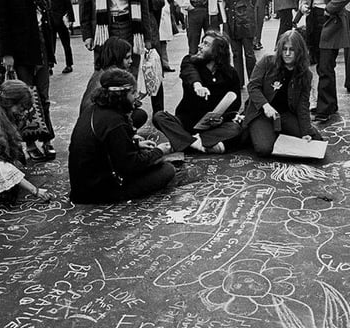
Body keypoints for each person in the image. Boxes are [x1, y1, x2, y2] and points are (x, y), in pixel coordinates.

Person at [69, 69, 176, 203]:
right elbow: (130, 165)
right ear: (120, 95)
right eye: (132, 93)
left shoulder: (95, 108)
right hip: (95, 191)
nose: (137, 96)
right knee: (167, 170)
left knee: (153, 160)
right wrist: (159, 151)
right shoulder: (115, 122)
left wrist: (135, 144)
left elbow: (108, 146)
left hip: (83, 185)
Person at [153, 31, 242, 153]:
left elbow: (235, 104)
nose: (200, 46)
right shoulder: (190, 61)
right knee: (159, 117)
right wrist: (197, 85)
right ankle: (198, 144)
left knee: (236, 128)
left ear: (217, 51)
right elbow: (189, 72)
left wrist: (222, 118)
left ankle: (184, 142)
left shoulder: (230, 73)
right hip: (186, 122)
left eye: (206, 44)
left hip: (213, 127)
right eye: (201, 42)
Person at [0, 0, 57, 162]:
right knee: (24, 99)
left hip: (41, 45)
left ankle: (46, 138)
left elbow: (45, 17)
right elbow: (1, 22)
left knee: (43, 98)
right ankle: (29, 143)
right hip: (20, 50)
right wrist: (6, 54)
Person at [242, 30, 323, 156]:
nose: (287, 53)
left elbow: (303, 104)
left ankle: (277, 131)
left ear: (299, 51)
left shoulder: (305, 74)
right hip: (261, 113)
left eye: (292, 50)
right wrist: (265, 105)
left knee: (315, 139)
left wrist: (306, 131)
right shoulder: (267, 62)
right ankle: (255, 131)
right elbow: (253, 86)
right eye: (284, 49)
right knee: (264, 148)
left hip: (284, 113)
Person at [79, 37, 149, 128]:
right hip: (97, 123)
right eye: (127, 58)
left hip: (90, 120)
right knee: (139, 115)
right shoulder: (112, 77)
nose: (131, 61)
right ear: (117, 58)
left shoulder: (100, 72)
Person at [306, 0, 350, 123]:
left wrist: (330, 8)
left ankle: (324, 108)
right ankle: (329, 104)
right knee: (321, 66)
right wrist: (303, 5)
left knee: (326, 65)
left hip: (330, 18)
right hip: (314, 17)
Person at [79, 0, 154, 75]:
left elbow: (144, 8)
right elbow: (85, 4)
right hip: (103, 29)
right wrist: (87, 34)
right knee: (104, 69)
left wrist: (147, 38)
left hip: (130, 26)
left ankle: (130, 85)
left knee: (131, 68)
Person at [223, 0, 257, 86]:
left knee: (248, 54)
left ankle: (253, 80)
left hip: (244, 19)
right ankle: (240, 80)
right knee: (237, 54)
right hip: (233, 19)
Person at [50, 0, 74, 74]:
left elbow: (69, 5)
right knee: (50, 45)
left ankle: (69, 64)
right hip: (51, 21)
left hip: (61, 21)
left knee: (66, 44)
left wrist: (70, 19)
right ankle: (50, 65)